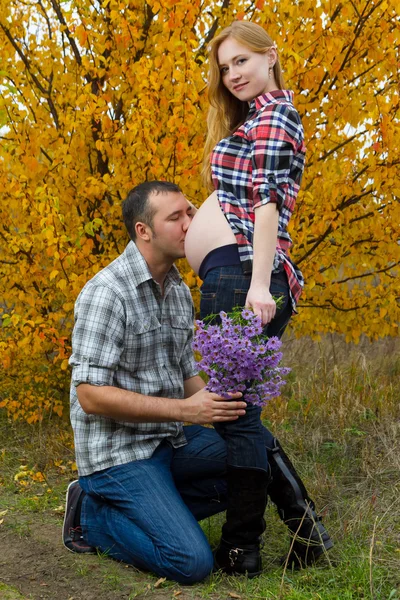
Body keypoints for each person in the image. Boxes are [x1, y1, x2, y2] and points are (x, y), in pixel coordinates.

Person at [184, 20, 333, 576]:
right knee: (239, 412)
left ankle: (248, 545)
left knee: (235, 415)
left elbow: (268, 202)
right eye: (224, 68)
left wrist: (255, 283)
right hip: (238, 275)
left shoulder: (277, 114)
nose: (232, 74)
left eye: (241, 61)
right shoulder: (258, 120)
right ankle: (302, 532)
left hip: (245, 277)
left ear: (271, 57)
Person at [63, 180, 248, 584]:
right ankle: (91, 517)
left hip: (168, 440)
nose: (190, 223)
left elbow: (184, 375)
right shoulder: (106, 292)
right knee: (191, 563)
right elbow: (90, 395)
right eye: (176, 217)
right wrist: (186, 411)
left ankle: (156, 510)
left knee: (251, 457)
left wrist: (227, 405)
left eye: (191, 212)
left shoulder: (180, 291)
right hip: (119, 454)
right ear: (143, 230)